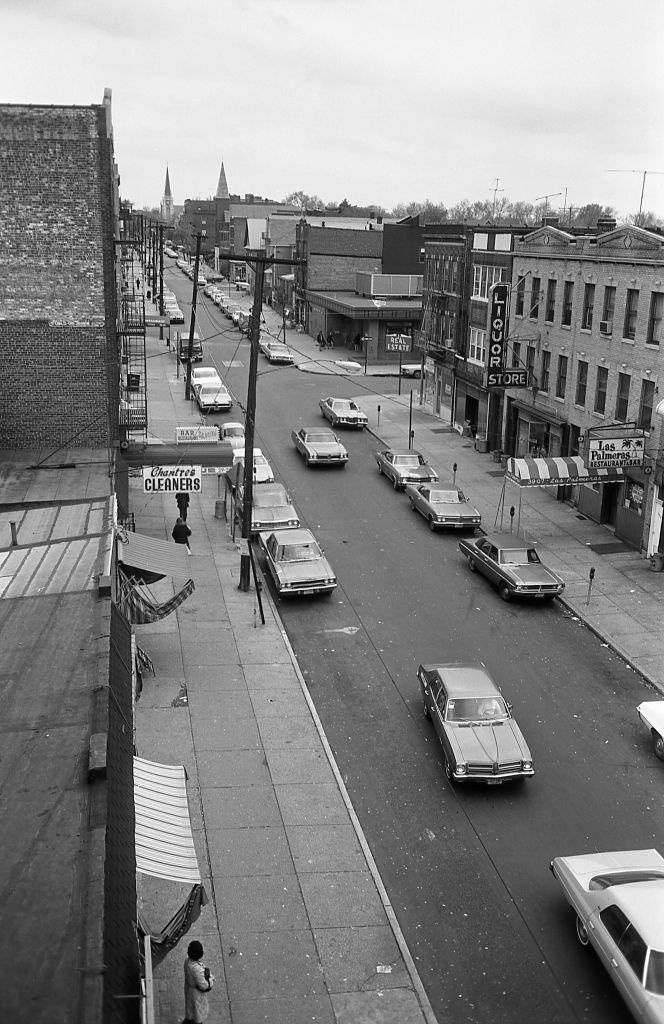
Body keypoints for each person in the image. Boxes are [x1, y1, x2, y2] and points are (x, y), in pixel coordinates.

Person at [182, 940, 213, 1024]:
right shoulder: (197, 970)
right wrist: (209, 979)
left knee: (190, 1008)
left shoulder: (187, 961)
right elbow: (204, 986)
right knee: (197, 1011)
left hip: (188, 989)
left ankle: (188, 1020)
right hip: (196, 994)